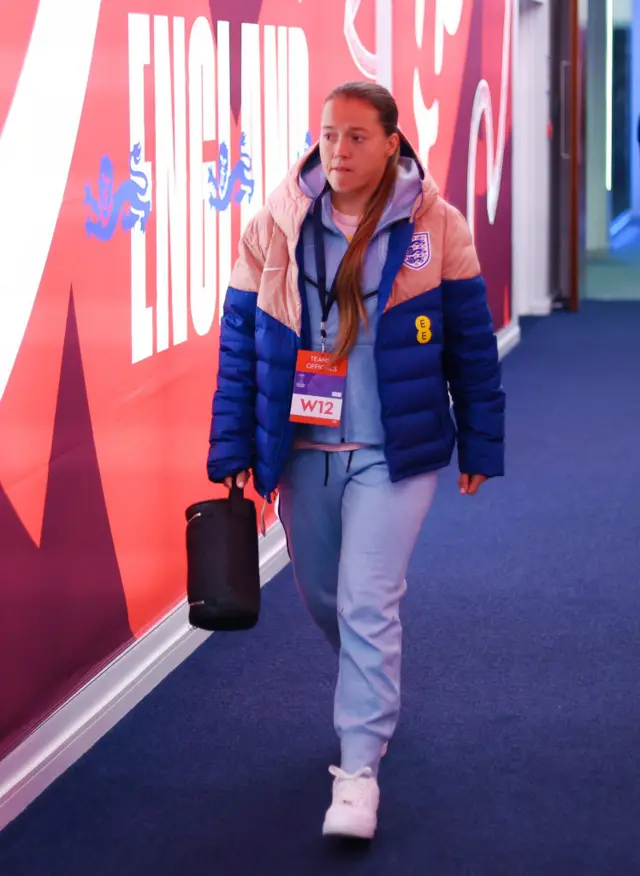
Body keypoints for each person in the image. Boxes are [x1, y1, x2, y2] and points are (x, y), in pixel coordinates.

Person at [207, 81, 505, 840]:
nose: (338, 151)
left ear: (393, 142)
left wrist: (481, 439)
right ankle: (370, 690)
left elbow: (469, 343)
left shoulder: (438, 227)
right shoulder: (278, 222)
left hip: (394, 452)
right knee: (327, 603)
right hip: (303, 450)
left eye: (356, 137)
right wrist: (233, 447)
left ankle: (358, 773)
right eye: (329, 135)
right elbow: (240, 342)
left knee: (368, 601)